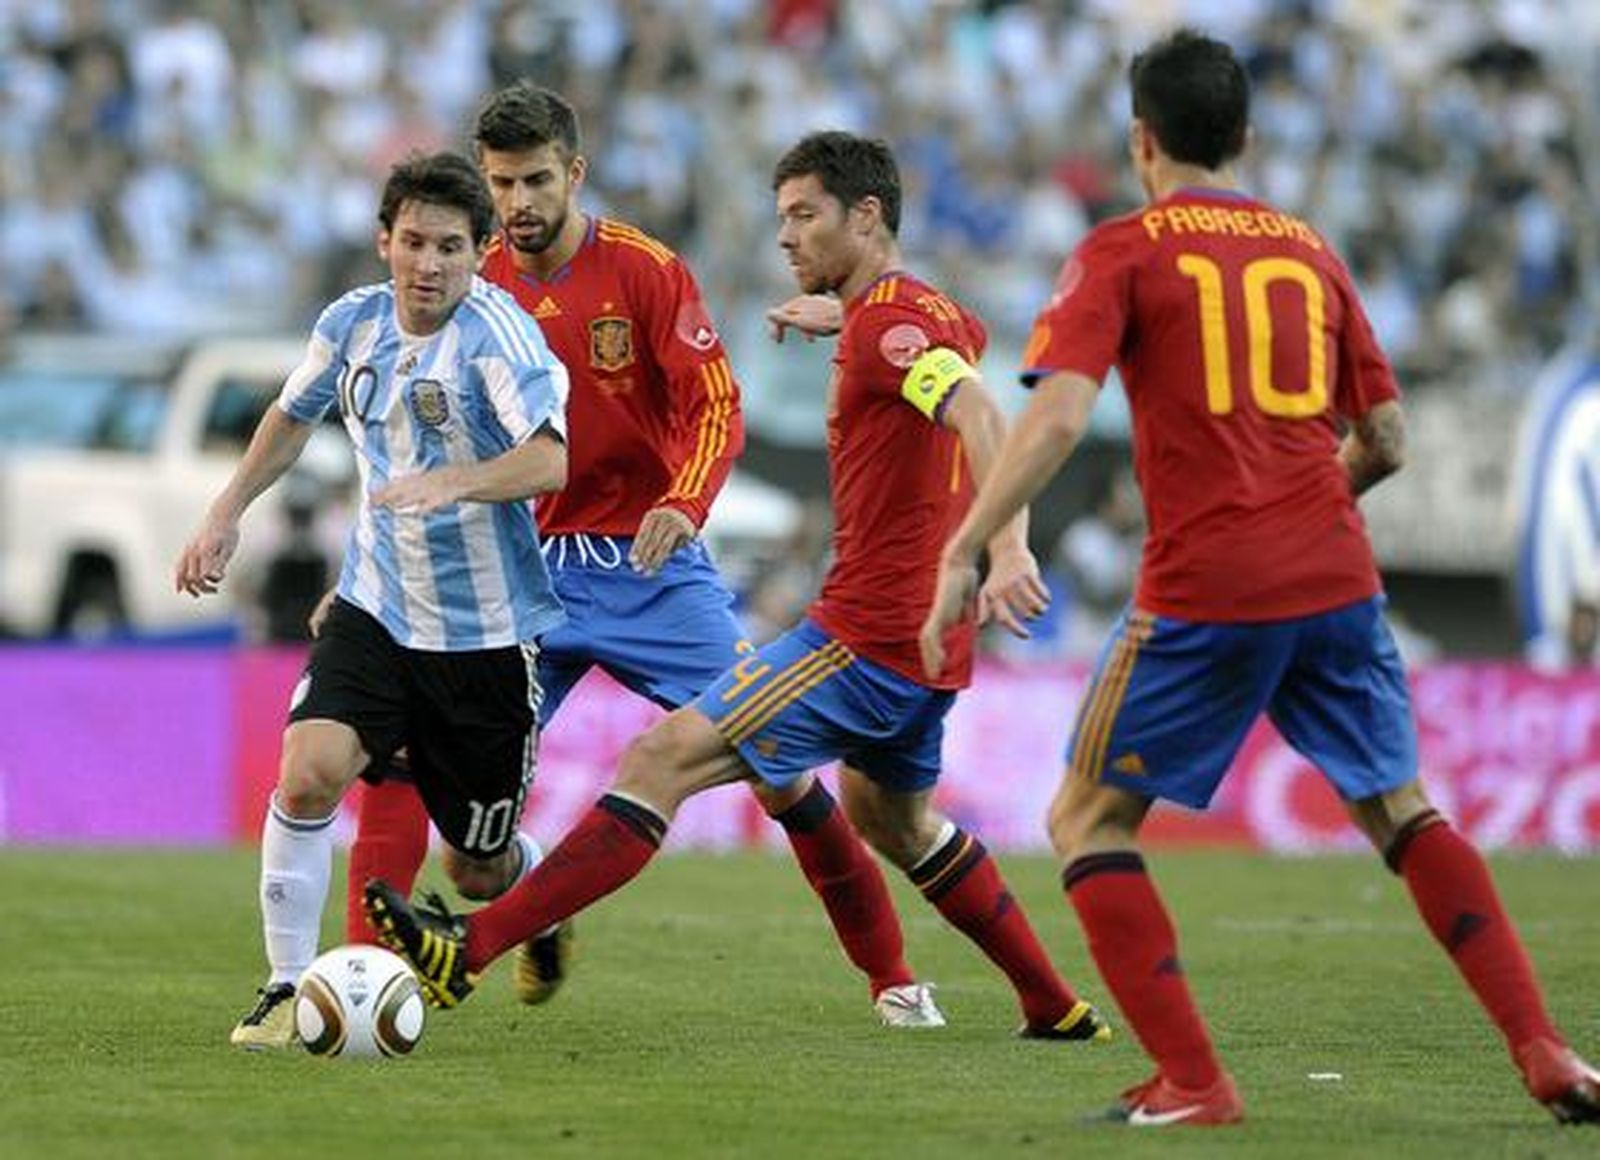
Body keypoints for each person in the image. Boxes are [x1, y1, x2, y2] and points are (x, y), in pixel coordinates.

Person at [921, 30, 1599, 1128]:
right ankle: (1546, 1050)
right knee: (1402, 809)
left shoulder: (1123, 250)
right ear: (1243, 136)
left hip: (1207, 584)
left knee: (1087, 818)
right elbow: (1383, 436)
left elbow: (1053, 412)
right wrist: (1305, 500)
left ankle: (1193, 1080)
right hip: (1335, 575)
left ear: (1142, 140)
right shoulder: (1310, 251)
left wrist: (969, 543)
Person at [364, 130, 1111, 1046]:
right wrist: (850, 315)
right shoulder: (913, 313)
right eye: (780, 217)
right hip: (922, 645)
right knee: (898, 821)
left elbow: (984, 411)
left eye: (804, 216)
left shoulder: (873, 322)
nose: (785, 238)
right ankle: (1056, 1005)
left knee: (660, 762)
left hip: (858, 637)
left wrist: (1004, 548)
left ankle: (466, 953)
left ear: (865, 216)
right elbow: (960, 354)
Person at [175, 150, 571, 1049]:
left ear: (481, 255)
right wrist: (226, 511)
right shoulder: (351, 324)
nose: (430, 265)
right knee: (309, 772)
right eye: (415, 242)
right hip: (375, 607)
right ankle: (283, 986)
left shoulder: (499, 337)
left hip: (484, 637)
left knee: (476, 869)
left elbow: (551, 459)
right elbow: (291, 415)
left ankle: (537, 895)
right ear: (384, 241)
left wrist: (457, 481)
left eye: (452, 249)